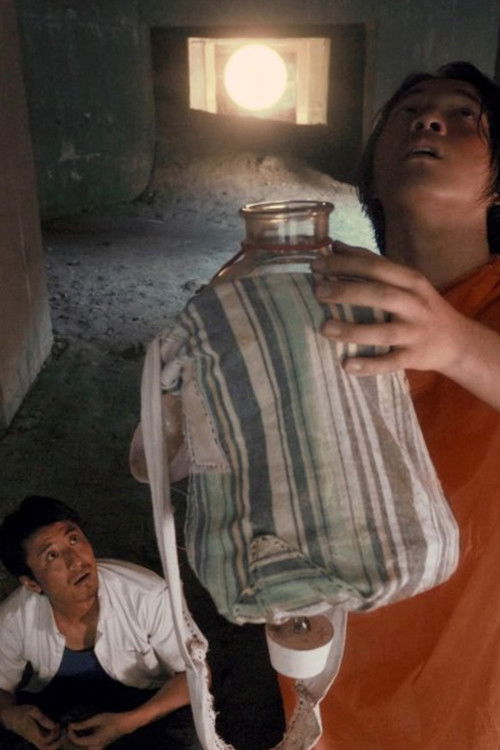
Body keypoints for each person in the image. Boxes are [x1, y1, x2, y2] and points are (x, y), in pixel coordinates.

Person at [279, 60, 500, 749]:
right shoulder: (321, 309)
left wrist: (454, 344)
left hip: (469, 697)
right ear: (372, 174)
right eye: (408, 111)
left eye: (464, 115)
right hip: (331, 681)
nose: (429, 120)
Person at [0, 495, 201, 750]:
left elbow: (196, 675)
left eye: (74, 539)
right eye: (52, 555)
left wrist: (128, 723)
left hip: (141, 707)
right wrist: (11, 716)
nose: (76, 561)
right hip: (61, 714)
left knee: (190, 733)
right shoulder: (14, 618)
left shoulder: (148, 596)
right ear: (31, 583)